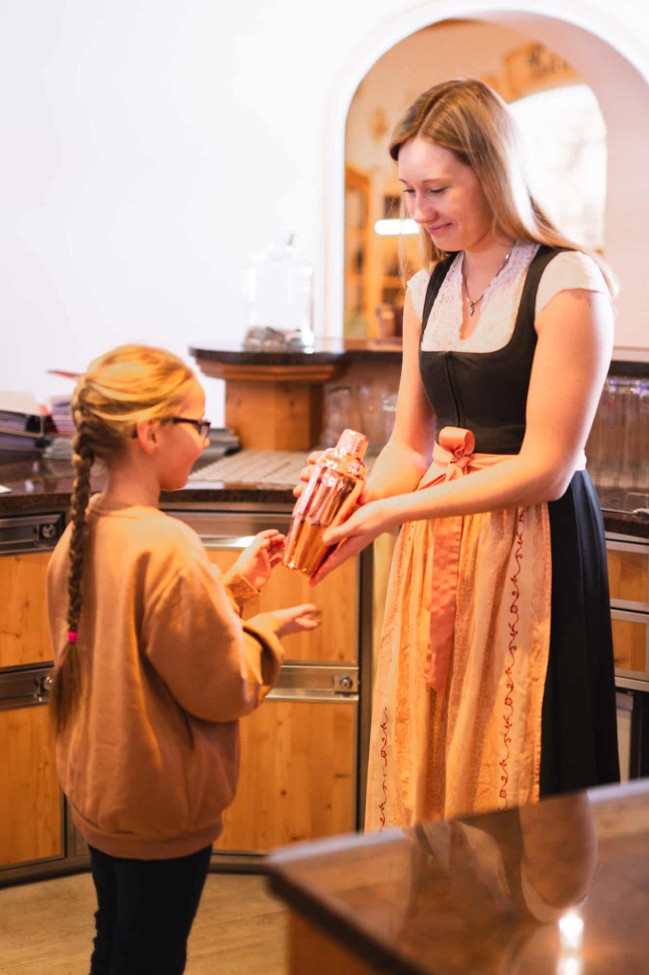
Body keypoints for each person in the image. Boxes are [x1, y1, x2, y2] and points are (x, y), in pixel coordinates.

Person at [306, 78, 620, 830]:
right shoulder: (427, 287)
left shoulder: (566, 280)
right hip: (440, 550)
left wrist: (393, 513)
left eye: (437, 188)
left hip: (532, 546)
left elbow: (546, 467)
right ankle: (443, 930)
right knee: (435, 734)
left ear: (492, 169)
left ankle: (528, 937)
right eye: (409, 191)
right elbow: (407, 444)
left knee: (522, 753)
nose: (420, 211)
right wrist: (343, 512)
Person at [47, 344, 321, 975]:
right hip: (160, 806)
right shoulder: (169, 546)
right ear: (149, 432)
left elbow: (143, 642)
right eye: (198, 424)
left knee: (115, 941)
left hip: (102, 794)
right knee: (153, 956)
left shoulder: (84, 529)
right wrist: (266, 636)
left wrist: (235, 589)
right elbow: (221, 686)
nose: (205, 439)